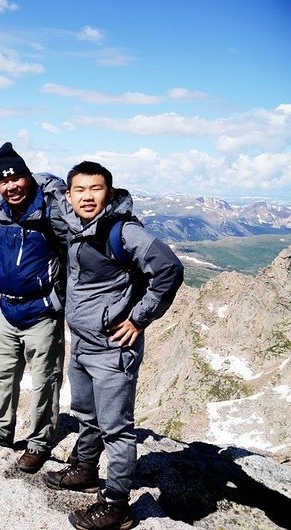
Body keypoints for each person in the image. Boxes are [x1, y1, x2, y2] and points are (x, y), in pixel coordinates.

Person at [43, 161, 183, 530]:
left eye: (96, 188)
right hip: (83, 343)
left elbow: (168, 268)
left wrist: (138, 319)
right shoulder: (74, 224)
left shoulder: (123, 232)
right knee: (85, 413)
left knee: (116, 428)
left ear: (110, 192)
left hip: (112, 348)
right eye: (80, 190)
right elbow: (44, 185)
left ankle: (117, 506)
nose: (87, 196)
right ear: (69, 195)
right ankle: (86, 470)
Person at [0, 142, 69, 474]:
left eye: (16, 178)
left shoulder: (52, 211)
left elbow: (78, 254)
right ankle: (0, 430)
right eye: (3, 181)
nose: (10, 186)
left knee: (44, 382)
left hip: (42, 314)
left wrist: (62, 296)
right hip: (9, 312)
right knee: (3, 375)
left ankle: (39, 443)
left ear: (27, 176)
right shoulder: (1, 214)